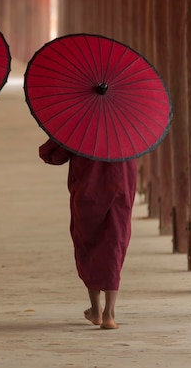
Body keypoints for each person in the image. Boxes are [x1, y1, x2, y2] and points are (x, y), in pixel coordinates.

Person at [39, 137, 136, 329]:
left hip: (88, 193)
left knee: (88, 243)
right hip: (120, 191)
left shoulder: (82, 128)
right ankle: (109, 311)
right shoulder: (128, 129)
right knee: (114, 245)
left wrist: (65, 136)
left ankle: (96, 309)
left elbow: (51, 155)